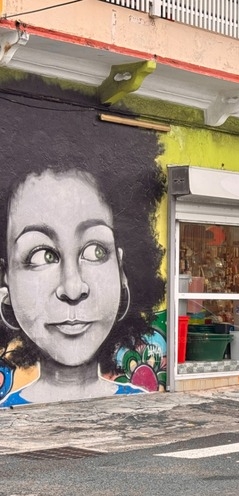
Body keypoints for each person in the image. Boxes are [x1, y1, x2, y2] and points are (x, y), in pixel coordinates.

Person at [0, 77, 165, 406]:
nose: (73, 289)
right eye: (42, 255)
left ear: (122, 273)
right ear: (6, 286)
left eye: (95, 250)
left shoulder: (139, 404)